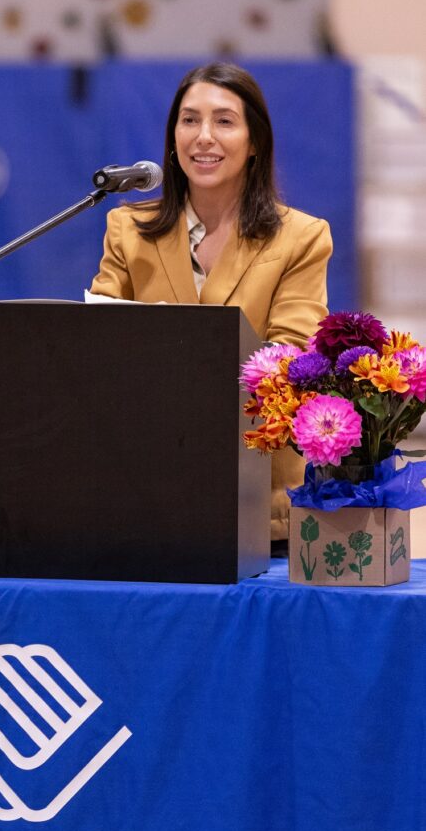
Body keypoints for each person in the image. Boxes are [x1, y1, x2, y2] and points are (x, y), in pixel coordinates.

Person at [87, 61, 332, 550]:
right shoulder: (128, 230)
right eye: (189, 119)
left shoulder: (302, 237)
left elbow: (292, 361)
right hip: (146, 496)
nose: (203, 137)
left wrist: (172, 362)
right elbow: (98, 345)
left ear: (255, 141)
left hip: (259, 503)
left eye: (224, 121)